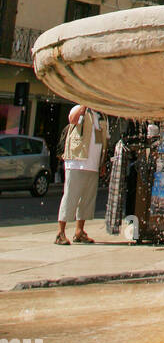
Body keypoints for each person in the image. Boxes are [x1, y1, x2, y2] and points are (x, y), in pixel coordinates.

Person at [55, 104, 107, 245]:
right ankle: (60, 233)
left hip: (93, 164)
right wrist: (84, 104)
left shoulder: (101, 115)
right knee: (71, 196)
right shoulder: (79, 108)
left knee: (87, 199)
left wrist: (102, 162)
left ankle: (79, 231)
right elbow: (72, 119)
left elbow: (103, 140)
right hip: (77, 160)